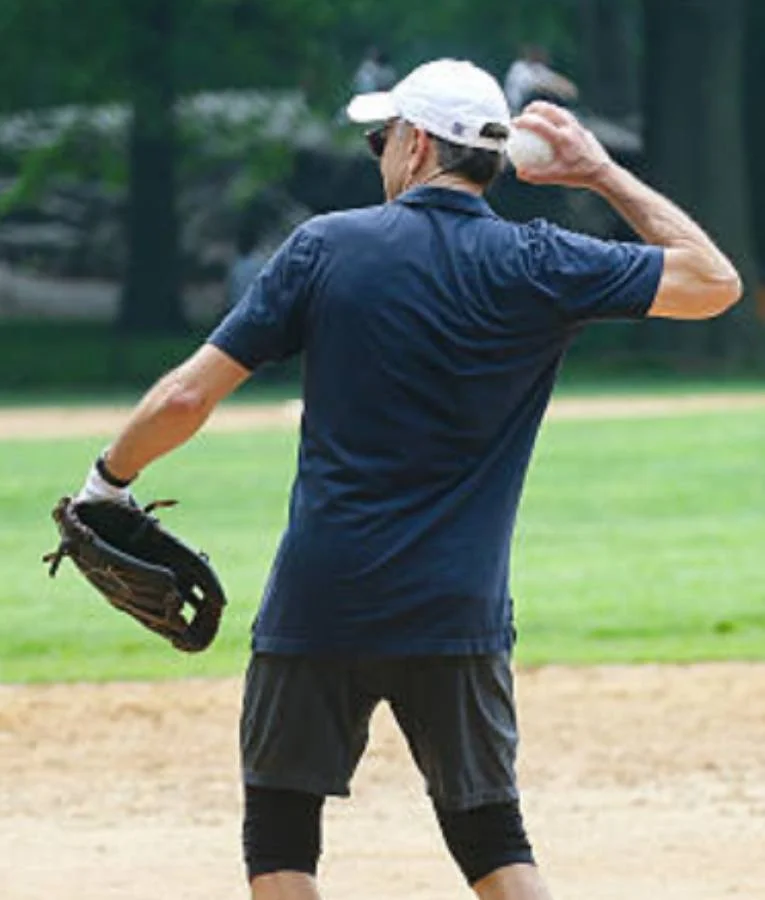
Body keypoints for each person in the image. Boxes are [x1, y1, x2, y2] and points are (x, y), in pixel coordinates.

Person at [73, 58, 741, 899]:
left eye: (381, 136)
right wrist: (600, 173)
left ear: (418, 145)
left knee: (278, 842)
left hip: (320, 603)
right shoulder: (536, 260)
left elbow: (186, 395)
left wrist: (108, 481)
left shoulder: (326, 246)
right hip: (455, 610)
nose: (377, 151)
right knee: (493, 841)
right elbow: (713, 282)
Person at [504, 44, 579, 115]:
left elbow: (560, 82)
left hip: (533, 104)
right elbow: (534, 86)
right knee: (543, 95)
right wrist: (554, 89)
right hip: (518, 106)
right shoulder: (519, 67)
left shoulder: (540, 68)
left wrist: (566, 89)